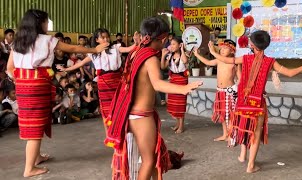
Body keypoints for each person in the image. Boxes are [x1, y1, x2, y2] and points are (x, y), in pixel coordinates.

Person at [6, 9, 107, 177]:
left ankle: (36, 157)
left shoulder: (18, 41)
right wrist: (95, 50)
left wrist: (22, 81)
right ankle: (29, 168)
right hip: (37, 86)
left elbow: (10, 68)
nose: (47, 24)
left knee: (34, 123)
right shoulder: (47, 40)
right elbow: (73, 47)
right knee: (36, 128)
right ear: (40, 24)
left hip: (23, 85)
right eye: (46, 21)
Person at [105, 17, 202, 180]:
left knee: (151, 157)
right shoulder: (150, 57)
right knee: (149, 160)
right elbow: (157, 84)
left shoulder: (136, 52)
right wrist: (184, 88)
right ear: (163, 39)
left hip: (132, 113)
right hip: (141, 116)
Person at [209, 30, 302, 173]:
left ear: (251, 44)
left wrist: (213, 51)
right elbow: (290, 73)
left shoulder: (245, 59)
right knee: (255, 133)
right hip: (257, 103)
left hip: (242, 101)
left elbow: (226, 60)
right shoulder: (270, 62)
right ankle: (250, 165)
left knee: (243, 126)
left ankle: (242, 156)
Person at [57, 28, 140, 122]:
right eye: (103, 37)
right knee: (107, 108)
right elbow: (80, 64)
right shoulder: (94, 53)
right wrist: (66, 69)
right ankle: (110, 130)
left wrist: (136, 42)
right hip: (103, 83)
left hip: (117, 80)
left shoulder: (116, 48)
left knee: (120, 105)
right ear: (97, 40)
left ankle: (120, 126)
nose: (106, 39)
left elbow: (129, 49)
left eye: (107, 37)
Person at [194, 39, 239, 141]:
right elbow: (208, 62)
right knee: (222, 114)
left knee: (231, 114)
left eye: (225, 48)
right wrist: (197, 55)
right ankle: (225, 134)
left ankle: (231, 135)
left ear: (232, 51)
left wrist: (240, 89)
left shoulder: (234, 63)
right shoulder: (219, 60)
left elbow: (240, 78)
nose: (222, 50)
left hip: (230, 92)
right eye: (221, 48)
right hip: (220, 91)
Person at [161, 37, 188, 133]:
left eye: (173, 44)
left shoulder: (185, 54)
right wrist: (163, 56)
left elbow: (184, 61)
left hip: (181, 80)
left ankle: (181, 126)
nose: (171, 46)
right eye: (171, 44)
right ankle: (177, 123)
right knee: (174, 103)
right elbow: (163, 66)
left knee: (180, 104)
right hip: (173, 80)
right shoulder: (170, 56)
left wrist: (182, 50)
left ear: (179, 45)